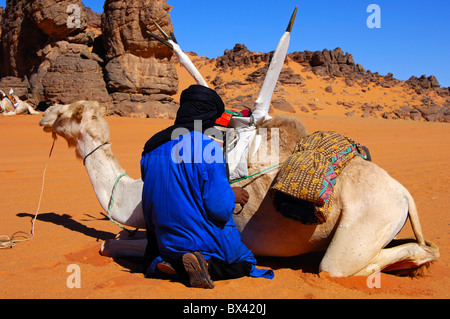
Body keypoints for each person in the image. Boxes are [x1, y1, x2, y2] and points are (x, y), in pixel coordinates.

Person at [140, 85, 273, 288]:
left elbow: (152, 197)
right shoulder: (207, 147)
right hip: (201, 241)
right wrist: (230, 195)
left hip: (164, 242)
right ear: (208, 116)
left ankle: (173, 262)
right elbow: (218, 209)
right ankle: (204, 264)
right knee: (245, 263)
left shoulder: (151, 147)